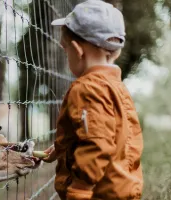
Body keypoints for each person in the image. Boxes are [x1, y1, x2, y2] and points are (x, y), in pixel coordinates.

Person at [41, 0, 144, 199]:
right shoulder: (116, 87)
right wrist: (63, 147)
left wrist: (80, 189)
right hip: (121, 187)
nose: (66, 54)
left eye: (65, 49)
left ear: (77, 51)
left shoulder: (87, 88)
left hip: (97, 192)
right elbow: (105, 133)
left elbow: (96, 143)